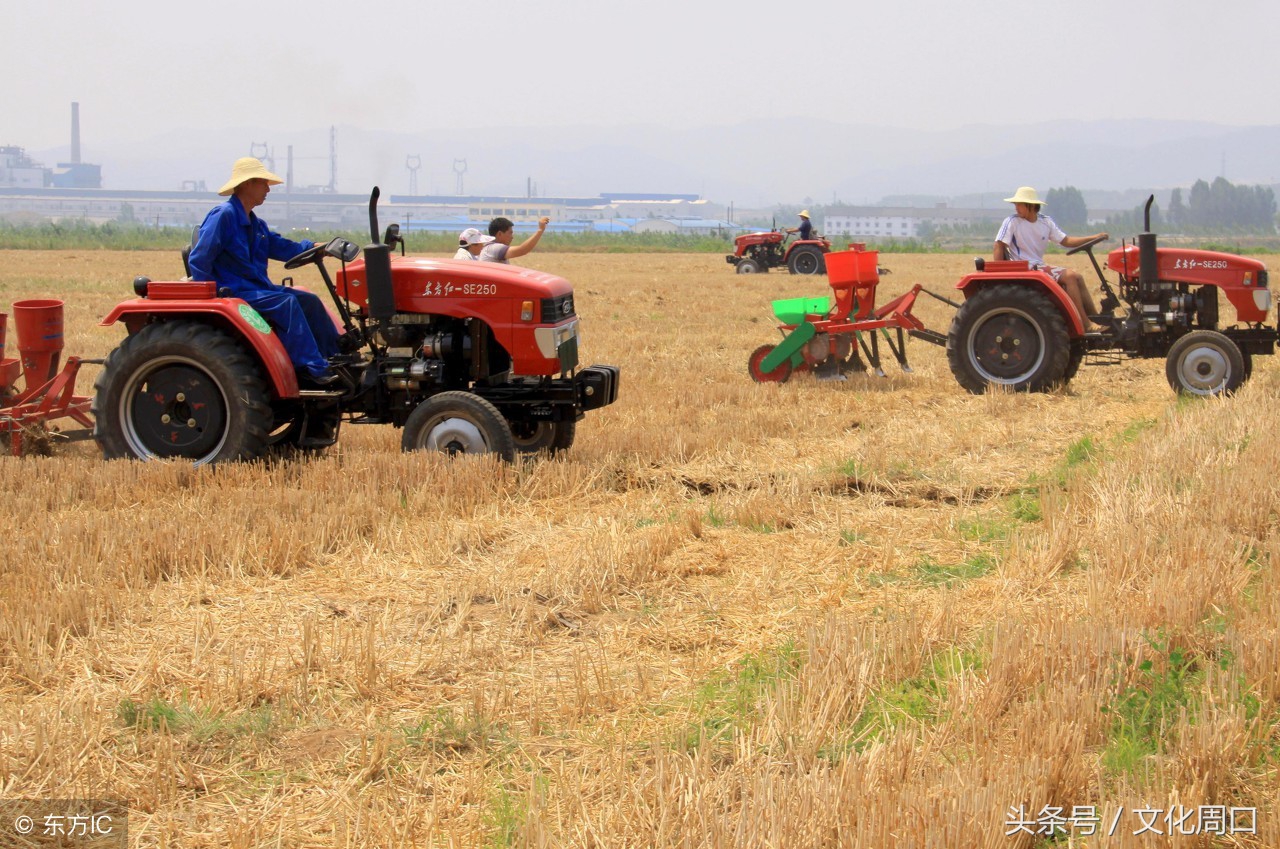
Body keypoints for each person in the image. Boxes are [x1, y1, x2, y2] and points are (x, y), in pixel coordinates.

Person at [188, 157, 343, 386]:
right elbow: (200, 258)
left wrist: (316, 248)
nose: (268, 188)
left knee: (307, 300)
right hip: (234, 293)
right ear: (247, 184)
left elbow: (282, 247)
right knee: (286, 303)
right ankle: (312, 369)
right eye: (264, 182)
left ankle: (336, 356)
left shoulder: (257, 225)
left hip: (257, 289)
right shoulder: (224, 216)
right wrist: (211, 294)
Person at [994, 186, 1110, 333]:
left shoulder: (1045, 222)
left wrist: (1094, 237)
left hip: (1038, 267)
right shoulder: (1012, 222)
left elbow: (1066, 241)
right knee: (1070, 277)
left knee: (1078, 277)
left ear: (1030, 205)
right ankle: (1086, 325)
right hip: (1024, 268)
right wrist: (999, 274)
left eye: (1019, 204)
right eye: (1015, 204)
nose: (1016, 207)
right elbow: (999, 245)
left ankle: (1096, 318)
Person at [480, 216, 550, 264]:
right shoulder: (494, 248)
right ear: (500, 234)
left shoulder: (488, 248)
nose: (512, 237)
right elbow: (522, 250)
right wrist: (540, 230)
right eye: (510, 233)